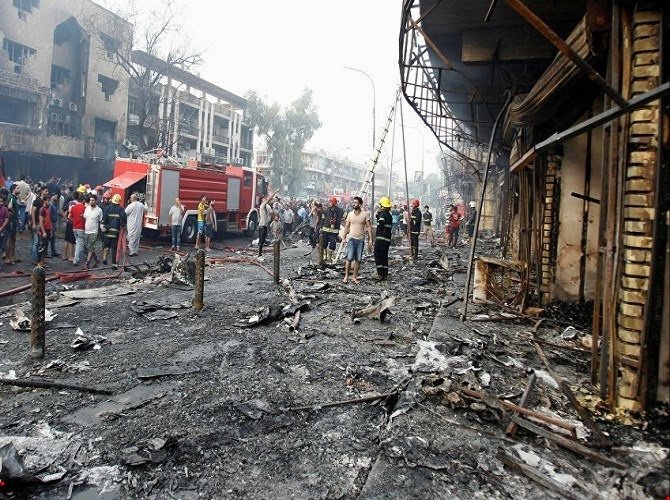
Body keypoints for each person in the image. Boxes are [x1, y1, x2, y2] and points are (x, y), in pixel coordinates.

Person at [341, 196, 373, 284]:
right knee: (349, 257)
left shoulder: (365, 214)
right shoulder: (350, 214)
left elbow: (369, 227)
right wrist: (343, 238)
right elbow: (346, 226)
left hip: (360, 240)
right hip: (351, 239)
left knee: (358, 259)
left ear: (360, 204)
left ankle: (354, 277)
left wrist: (370, 239)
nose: (353, 204)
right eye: (353, 202)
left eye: (355, 202)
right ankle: (346, 276)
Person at [102, 194, 127, 264]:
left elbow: (104, 219)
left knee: (106, 245)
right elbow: (123, 219)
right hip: (116, 232)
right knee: (114, 248)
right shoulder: (121, 209)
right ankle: (114, 264)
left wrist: (103, 227)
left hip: (107, 230)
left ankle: (104, 258)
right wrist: (123, 225)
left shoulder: (107, 208)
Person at [374, 197, 393, 281]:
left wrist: (378, 215)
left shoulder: (382, 214)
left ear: (382, 205)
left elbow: (380, 223)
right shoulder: (389, 215)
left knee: (378, 256)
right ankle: (385, 274)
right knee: (384, 257)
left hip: (381, 239)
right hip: (387, 239)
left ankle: (380, 274)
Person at [83, 194, 103, 269]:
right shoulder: (87, 208)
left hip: (94, 231)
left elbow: (100, 221)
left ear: (96, 201)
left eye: (93, 200)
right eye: (90, 200)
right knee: (89, 248)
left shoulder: (99, 210)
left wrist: (100, 230)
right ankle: (97, 260)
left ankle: (87, 263)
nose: (91, 201)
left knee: (91, 247)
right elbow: (85, 218)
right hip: (86, 230)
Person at [321, 197, 344, 262]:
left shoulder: (340, 211)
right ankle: (324, 255)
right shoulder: (326, 211)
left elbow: (343, 219)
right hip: (325, 230)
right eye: (329, 202)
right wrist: (321, 227)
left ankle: (329, 256)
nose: (329, 203)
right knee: (324, 243)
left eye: (330, 202)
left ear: (334, 203)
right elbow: (323, 219)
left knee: (333, 244)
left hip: (334, 232)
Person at [257, 189, 279, 257]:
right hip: (262, 226)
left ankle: (260, 253)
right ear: (261, 200)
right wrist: (274, 192)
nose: (265, 199)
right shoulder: (262, 205)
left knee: (263, 241)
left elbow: (271, 213)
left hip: (265, 226)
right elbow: (269, 199)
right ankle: (259, 254)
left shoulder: (267, 206)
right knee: (261, 241)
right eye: (264, 198)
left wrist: (275, 217)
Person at [125, 193, 146, 257]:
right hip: (139, 224)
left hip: (131, 224)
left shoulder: (130, 206)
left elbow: (125, 213)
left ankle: (131, 252)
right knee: (137, 238)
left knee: (131, 238)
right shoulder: (141, 205)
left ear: (132, 199)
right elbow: (146, 210)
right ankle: (135, 251)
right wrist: (146, 204)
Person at [3, 185, 19, 264]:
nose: (19, 189)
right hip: (11, 221)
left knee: (12, 238)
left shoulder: (13, 197)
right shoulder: (11, 197)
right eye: (17, 188)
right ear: (13, 189)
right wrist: (13, 212)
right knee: (10, 239)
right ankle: (7, 258)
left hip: (13, 220)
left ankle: (12, 257)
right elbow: (9, 206)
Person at [70, 192, 86, 265]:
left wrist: (74, 221)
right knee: (79, 244)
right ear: (83, 200)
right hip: (81, 228)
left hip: (74, 228)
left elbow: (69, 217)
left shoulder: (73, 207)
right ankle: (76, 260)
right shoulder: (84, 207)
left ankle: (79, 257)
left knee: (78, 243)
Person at [36, 196, 52, 268]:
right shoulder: (42, 209)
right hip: (43, 230)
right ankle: (39, 263)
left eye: (49, 201)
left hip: (47, 229)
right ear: (44, 201)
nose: (49, 202)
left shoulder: (47, 208)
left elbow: (48, 219)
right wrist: (43, 231)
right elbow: (41, 221)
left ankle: (42, 262)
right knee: (41, 247)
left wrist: (50, 229)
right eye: (48, 201)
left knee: (45, 247)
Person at [62, 191, 78, 262]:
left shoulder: (69, 203)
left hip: (68, 221)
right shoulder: (77, 204)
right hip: (73, 222)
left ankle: (65, 255)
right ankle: (70, 256)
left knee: (67, 239)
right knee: (71, 240)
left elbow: (63, 210)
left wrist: (66, 219)